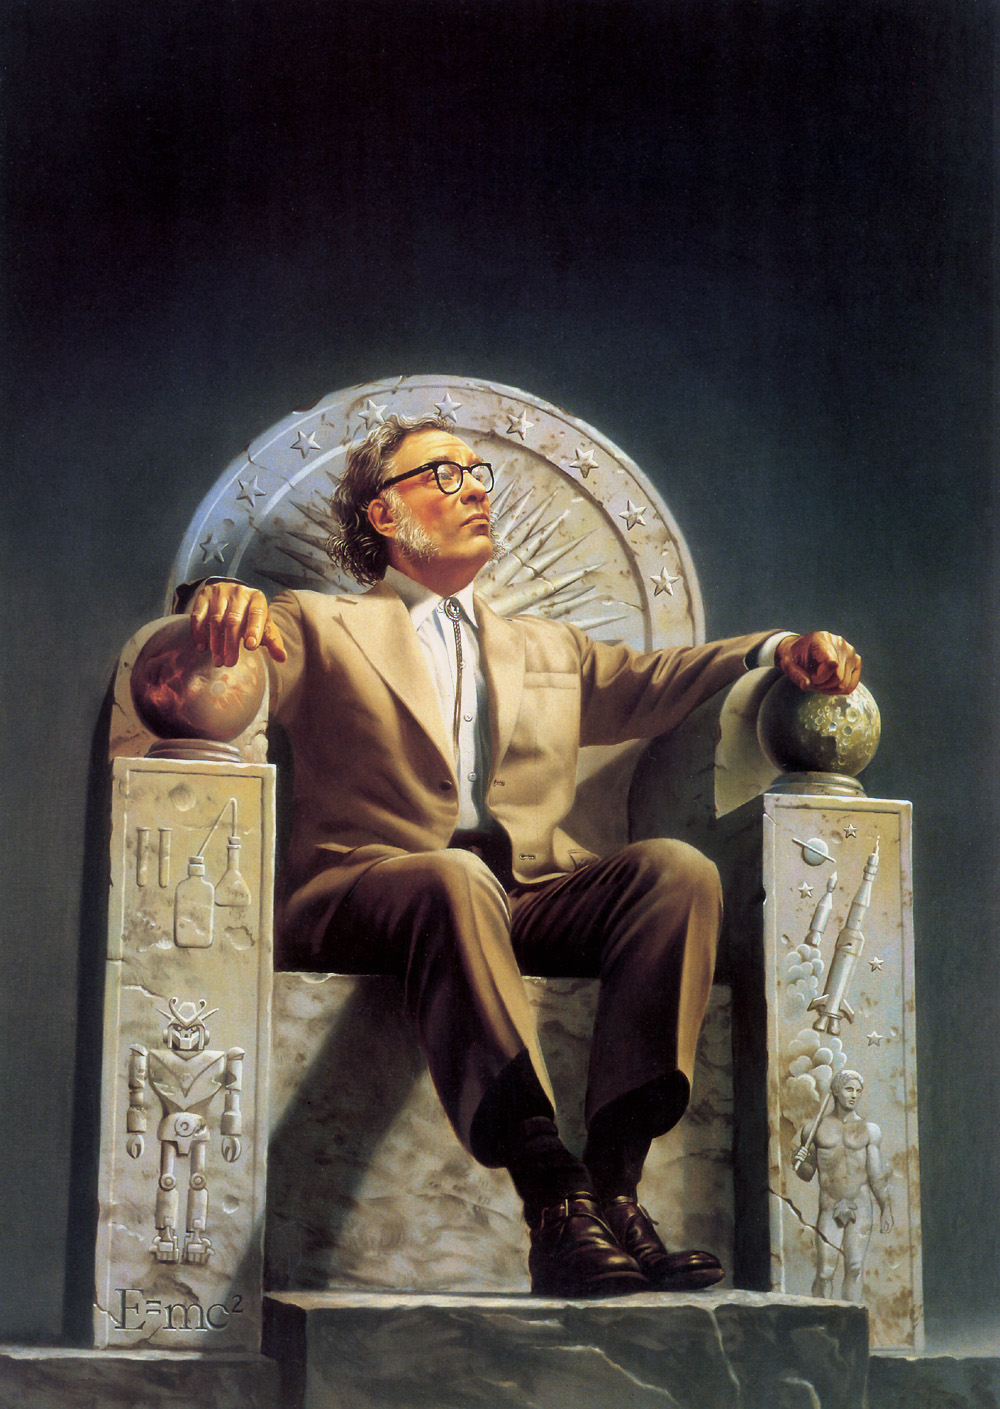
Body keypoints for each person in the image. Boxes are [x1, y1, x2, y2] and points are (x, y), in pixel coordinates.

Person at [185, 413, 862, 1298]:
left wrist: (780, 650)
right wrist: (211, 605)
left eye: (479, 472)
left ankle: (613, 1194)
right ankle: (552, 1197)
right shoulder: (314, 622)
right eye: (445, 473)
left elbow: (658, 684)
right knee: (455, 877)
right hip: (366, 887)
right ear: (384, 513)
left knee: (677, 873)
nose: (475, 487)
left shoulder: (547, 645)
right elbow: (220, 669)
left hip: (526, 890)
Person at [793, 1069, 894, 1301]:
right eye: (849, 1089)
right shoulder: (813, 1129)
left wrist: (885, 1208)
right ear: (836, 1092)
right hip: (829, 1206)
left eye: (858, 1091)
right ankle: (822, 1317)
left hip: (860, 1205)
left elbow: (876, 1175)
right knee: (825, 1272)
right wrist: (798, 1161)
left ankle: (850, 1317)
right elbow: (807, 1174)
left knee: (855, 1267)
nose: (854, 1095)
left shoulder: (870, 1130)